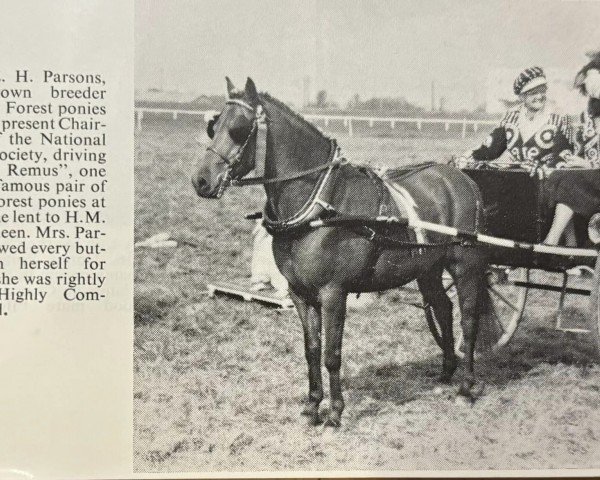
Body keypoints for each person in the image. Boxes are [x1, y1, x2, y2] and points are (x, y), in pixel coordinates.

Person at [456, 66, 572, 168]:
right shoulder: (510, 118)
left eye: (542, 91)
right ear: (522, 97)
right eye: (533, 93)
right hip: (516, 181)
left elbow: (564, 156)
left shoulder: (559, 119)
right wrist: (466, 158)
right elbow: (490, 149)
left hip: (548, 185)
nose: (539, 96)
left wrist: (540, 168)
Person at [544, 52, 600, 245]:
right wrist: (569, 157)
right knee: (558, 175)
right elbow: (575, 144)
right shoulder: (589, 115)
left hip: (595, 173)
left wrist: (588, 163)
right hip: (592, 174)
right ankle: (570, 241)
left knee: (570, 180)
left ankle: (552, 240)